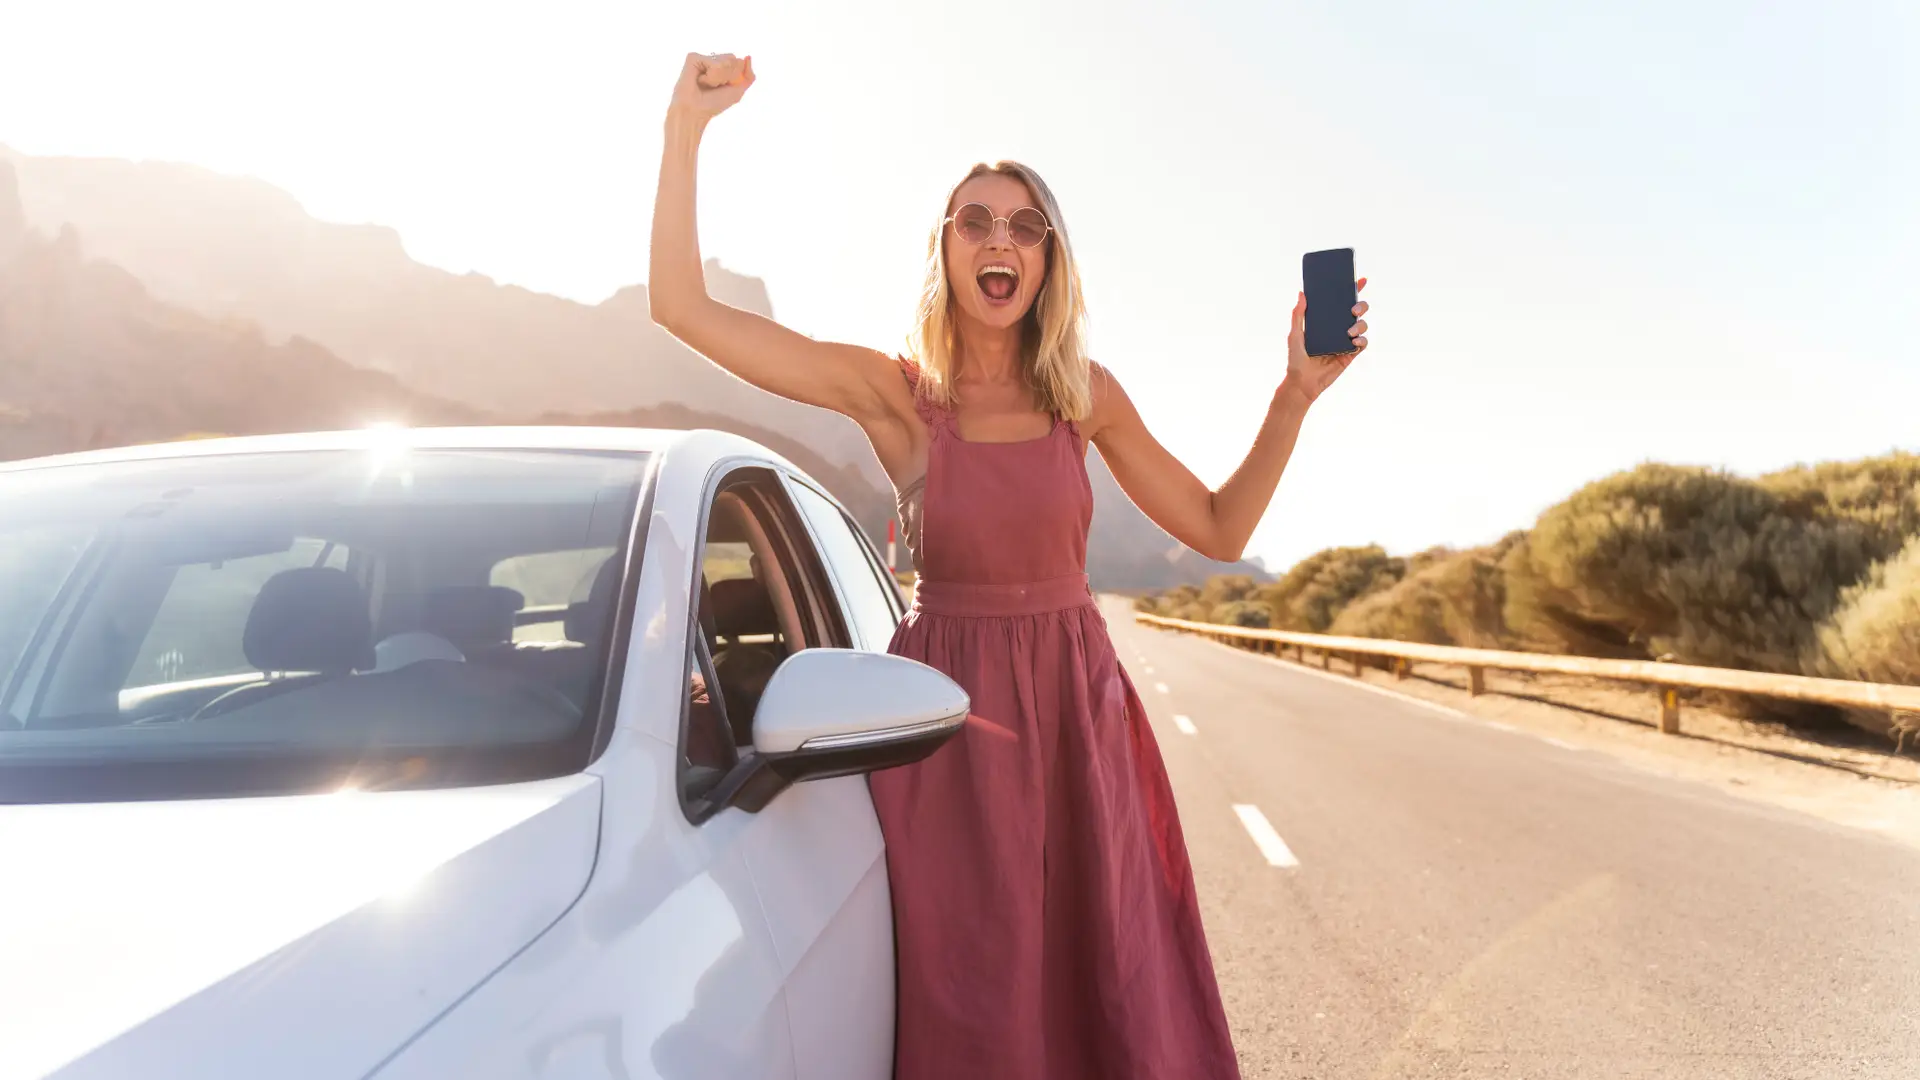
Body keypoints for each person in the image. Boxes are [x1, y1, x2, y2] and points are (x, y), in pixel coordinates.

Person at [648, 53, 1371, 1080]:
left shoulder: (1085, 393)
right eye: (976, 220)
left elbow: (1216, 523)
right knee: (971, 993)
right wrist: (686, 131)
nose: (1001, 240)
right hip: (948, 730)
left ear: (1048, 260)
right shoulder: (899, 396)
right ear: (943, 249)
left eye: (1025, 225)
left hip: (1081, 720)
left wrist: (1293, 396)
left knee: (1106, 982)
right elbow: (682, 309)